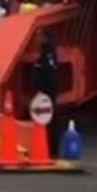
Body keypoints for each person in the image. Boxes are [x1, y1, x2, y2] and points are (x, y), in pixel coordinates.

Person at [32, 29, 62, 158]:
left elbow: (50, 71)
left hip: (47, 90)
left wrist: (43, 88)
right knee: (45, 119)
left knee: (50, 119)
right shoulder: (44, 53)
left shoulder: (48, 54)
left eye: (40, 36)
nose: (38, 39)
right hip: (44, 90)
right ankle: (46, 147)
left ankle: (53, 149)